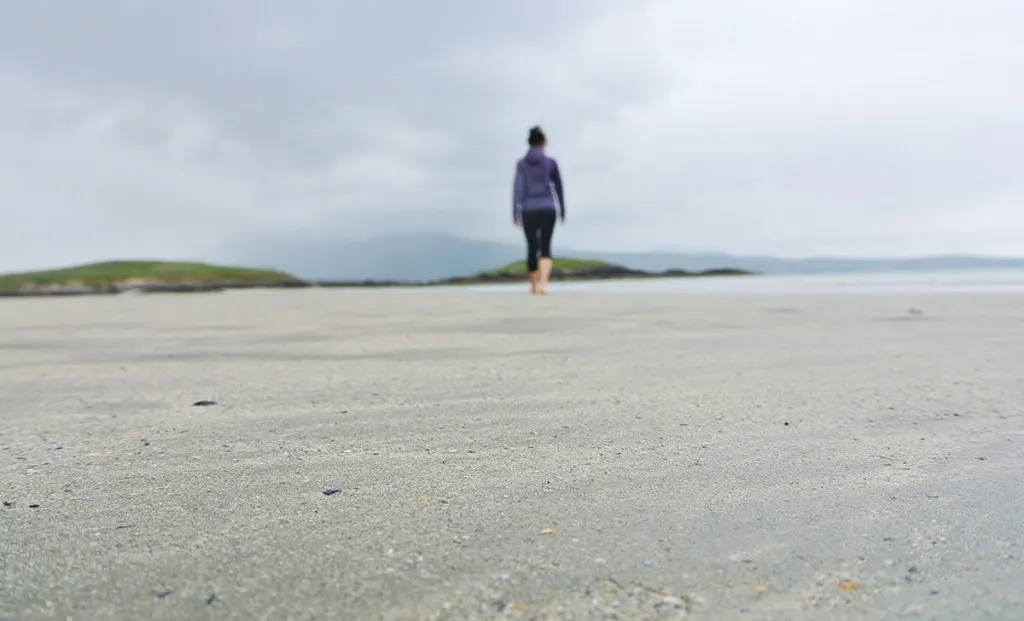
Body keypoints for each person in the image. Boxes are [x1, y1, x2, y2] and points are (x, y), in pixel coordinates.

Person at [512, 126, 565, 295]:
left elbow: (517, 189)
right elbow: (558, 187)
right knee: (545, 246)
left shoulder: (521, 164)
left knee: (532, 246)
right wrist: (562, 209)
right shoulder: (551, 163)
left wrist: (515, 212)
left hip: (528, 210)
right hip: (548, 208)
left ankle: (534, 285)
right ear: (543, 143)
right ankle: (543, 283)